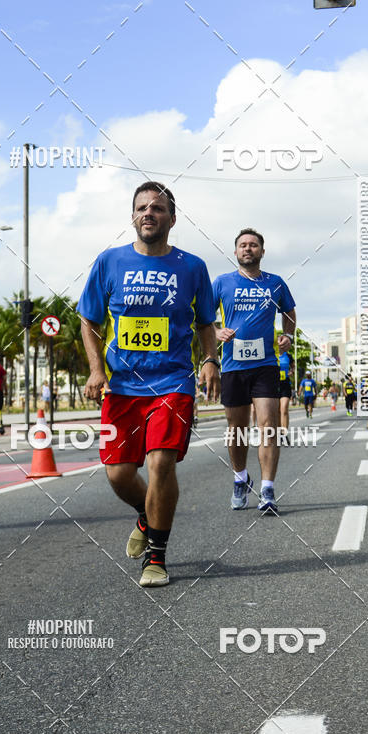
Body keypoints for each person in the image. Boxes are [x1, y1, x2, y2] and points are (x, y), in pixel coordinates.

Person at [78, 181, 220, 588]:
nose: (148, 214)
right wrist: (95, 370)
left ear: (172, 219)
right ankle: (147, 513)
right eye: (141, 208)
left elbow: (205, 322)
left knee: (160, 462)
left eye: (157, 209)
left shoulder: (192, 267)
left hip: (173, 382)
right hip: (122, 387)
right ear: (133, 216)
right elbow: (89, 320)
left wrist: (209, 359)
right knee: (119, 474)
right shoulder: (109, 262)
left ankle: (156, 556)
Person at [212, 228, 296, 515]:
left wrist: (289, 335)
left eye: (254, 245)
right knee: (236, 430)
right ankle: (240, 478)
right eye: (243, 245)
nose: (248, 249)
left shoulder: (275, 283)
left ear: (262, 251)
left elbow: (289, 313)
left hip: (265, 366)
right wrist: (217, 330)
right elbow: (204, 318)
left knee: (268, 425)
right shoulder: (222, 282)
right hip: (233, 366)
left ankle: (267, 489)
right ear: (235, 252)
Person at [279, 349, 293, 438]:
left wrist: (292, 372)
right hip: (273, 384)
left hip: (285, 384)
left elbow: (293, 367)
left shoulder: (288, 356)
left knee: (284, 409)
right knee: (276, 411)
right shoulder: (272, 353)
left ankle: (284, 433)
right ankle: (278, 431)